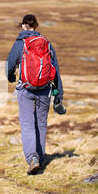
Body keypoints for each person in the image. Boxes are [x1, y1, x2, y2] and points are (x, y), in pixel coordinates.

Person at [6, 14, 66, 175]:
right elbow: (55, 69)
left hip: (25, 89)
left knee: (27, 125)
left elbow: (10, 64)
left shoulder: (20, 43)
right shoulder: (46, 43)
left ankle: (33, 158)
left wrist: (11, 77)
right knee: (41, 124)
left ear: (23, 26)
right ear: (36, 26)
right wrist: (58, 94)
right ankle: (41, 157)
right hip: (45, 90)